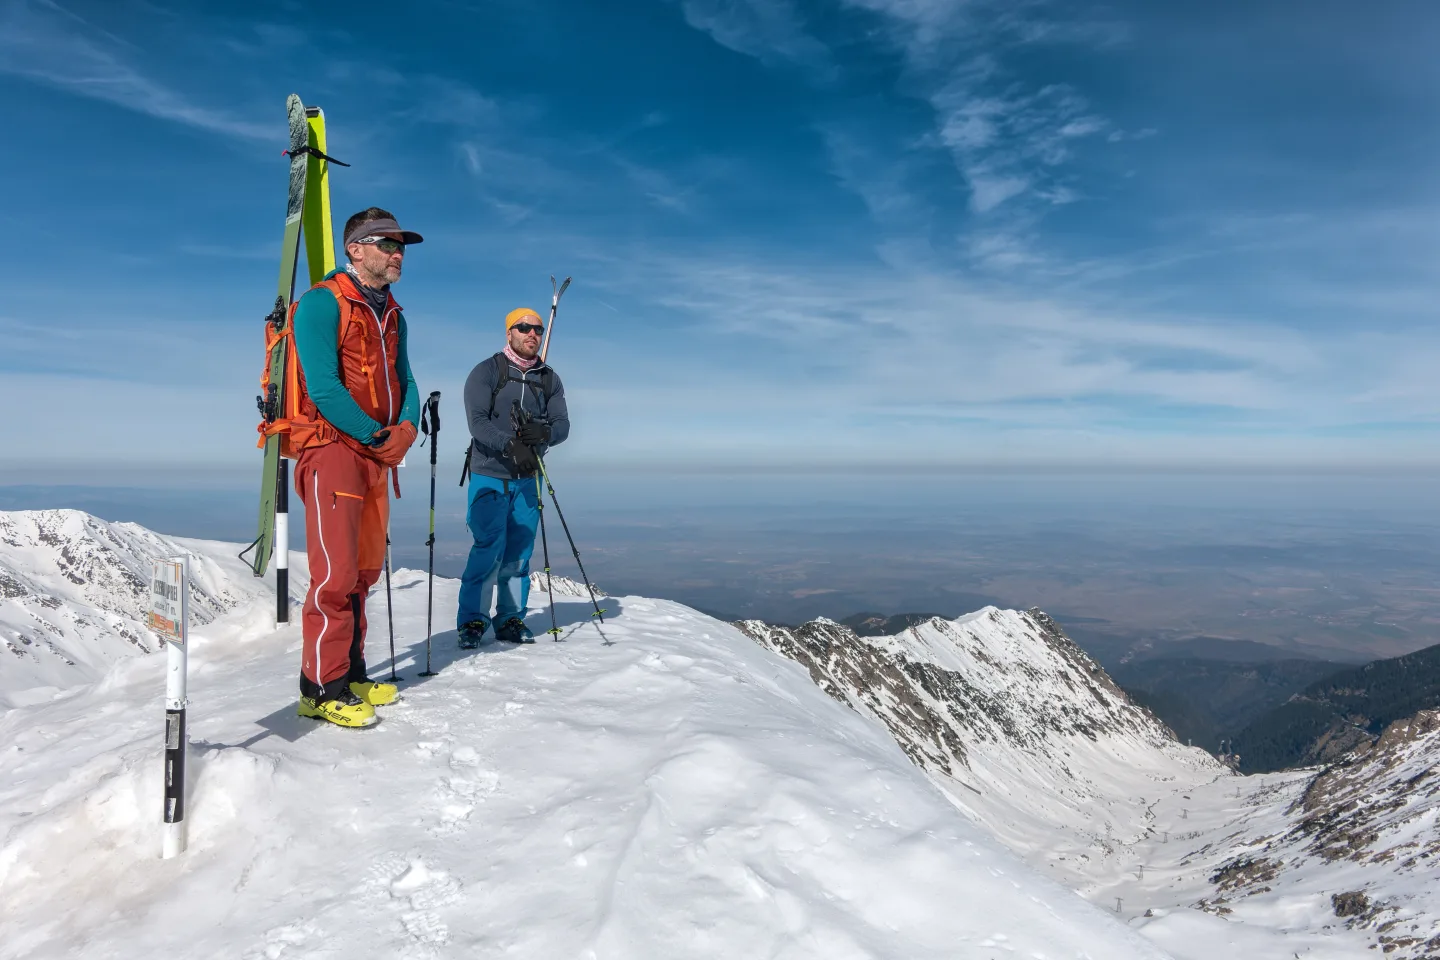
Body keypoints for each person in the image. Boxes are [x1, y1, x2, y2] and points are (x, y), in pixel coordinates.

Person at [290, 207, 423, 727]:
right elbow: (323, 387)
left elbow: (407, 380)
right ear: (355, 249)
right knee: (336, 575)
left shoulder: (393, 313)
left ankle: (351, 674)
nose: (397, 253)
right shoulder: (322, 304)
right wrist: (376, 436)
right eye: (386, 243)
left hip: (376, 456)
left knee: (364, 573)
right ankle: (319, 689)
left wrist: (406, 430)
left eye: (401, 246)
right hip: (334, 452)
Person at [456, 307, 570, 647]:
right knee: (487, 547)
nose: (531, 334)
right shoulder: (487, 371)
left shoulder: (548, 378)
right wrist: (508, 445)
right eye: (523, 328)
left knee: (519, 551)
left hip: (527, 478)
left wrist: (544, 432)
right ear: (509, 333)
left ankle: (509, 619)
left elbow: (563, 425)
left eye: (537, 329)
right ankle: (473, 622)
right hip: (489, 474)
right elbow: (477, 422)